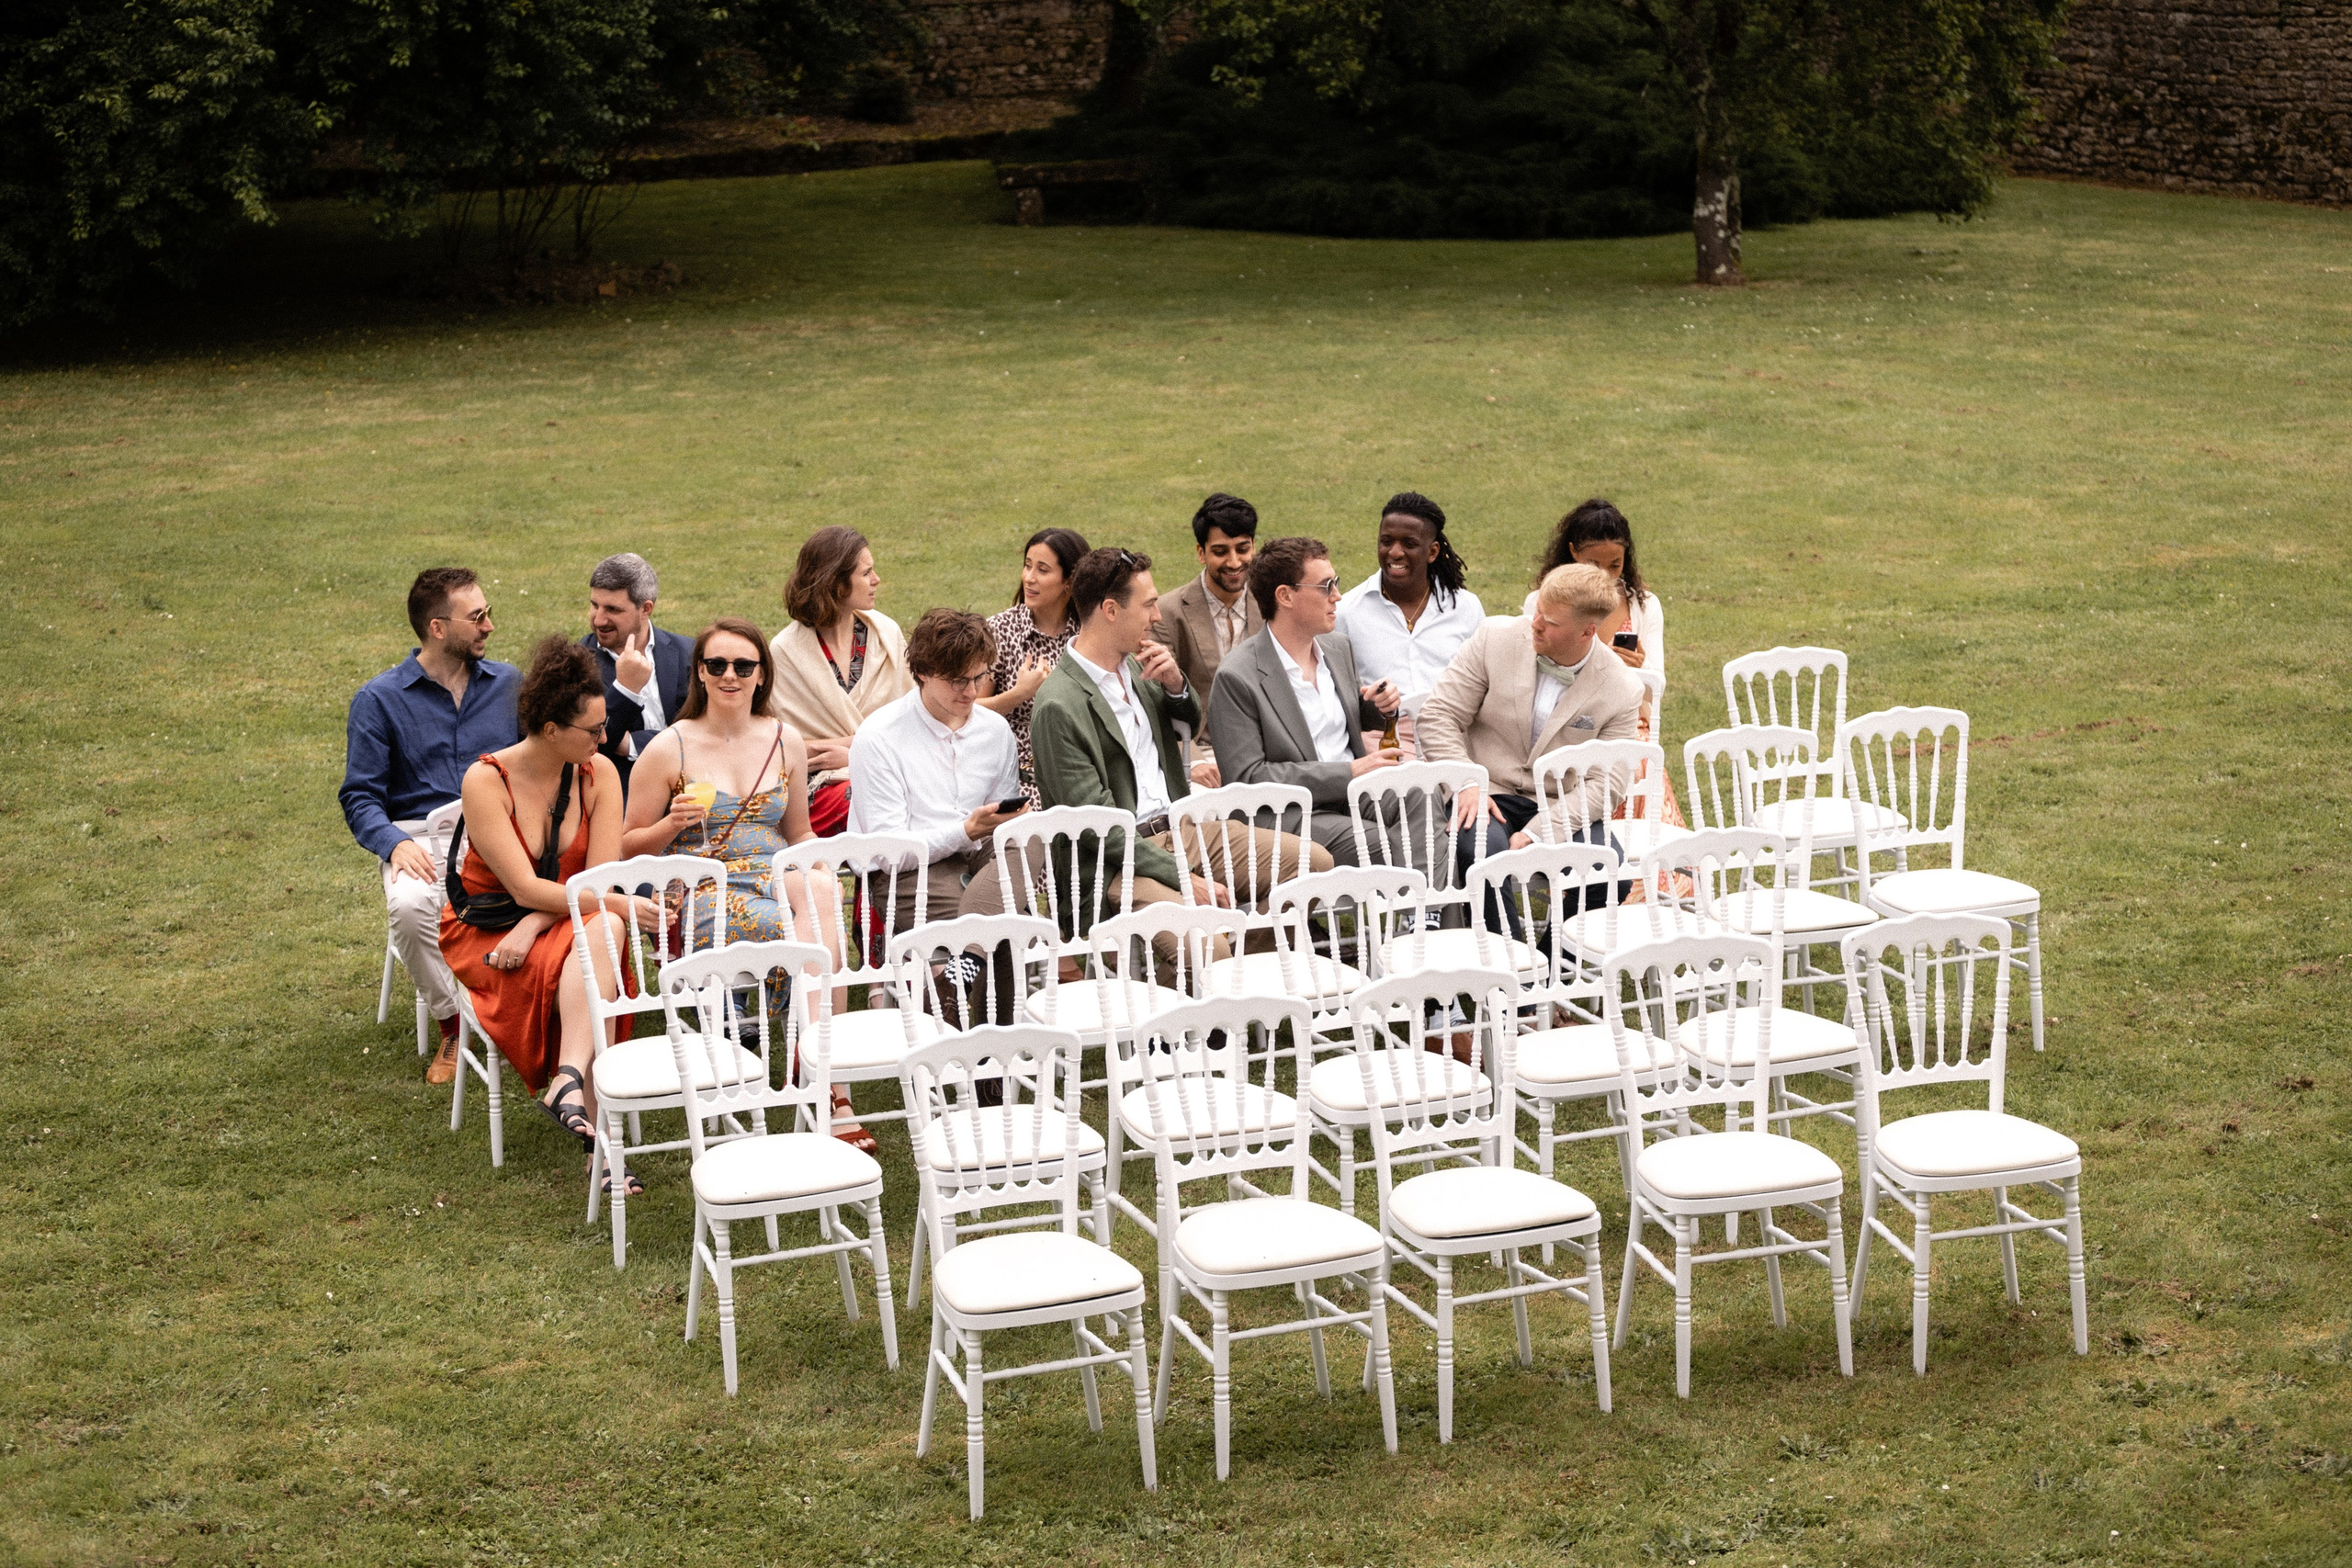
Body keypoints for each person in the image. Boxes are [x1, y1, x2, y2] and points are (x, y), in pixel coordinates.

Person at [964, 548, 1329, 938]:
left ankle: (1239, 952)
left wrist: (1176, 686)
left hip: (1184, 828)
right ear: (1110, 610)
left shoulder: (1138, 667)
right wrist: (1184, 877)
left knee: (1314, 863)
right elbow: (1100, 827)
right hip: (1119, 861)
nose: (1157, 616)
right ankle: (1224, 962)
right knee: (1204, 944)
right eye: (1149, 605)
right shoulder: (1059, 704)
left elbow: (1188, 726)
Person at [620, 618, 865, 1147]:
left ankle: (820, 1068)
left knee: (821, 893)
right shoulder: (668, 749)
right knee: (810, 940)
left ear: (760, 675)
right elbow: (626, 847)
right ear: (700, 675)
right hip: (705, 886)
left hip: (773, 872)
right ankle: (830, 1085)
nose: (730, 675)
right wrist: (670, 825)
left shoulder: (785, 740)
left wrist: (817, 866)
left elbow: (797, 829)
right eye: (717, 665)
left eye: (743, 666)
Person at [438, 637, 661, 1191]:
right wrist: (604, 905)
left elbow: (594, 881)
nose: (605, 738)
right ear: (551, 728)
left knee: (601, 937)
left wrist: (542, 919)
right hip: (488, 932)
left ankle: (569, 1085)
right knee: (605, 936)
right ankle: (599, 1145)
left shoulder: (599, 774)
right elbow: (522, 886)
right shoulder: (485, 781)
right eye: (593, 730)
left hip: (551, 922)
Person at [341, 567, 520, 1088]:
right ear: (438, 628)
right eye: (478, 617)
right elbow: (360, 795)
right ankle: (453, 1023)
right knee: (409, 905)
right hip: (421, 837)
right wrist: (394, 845)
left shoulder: (510, 685)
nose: (489, 626)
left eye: (487, 613)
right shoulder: (378, 700)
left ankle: (520, 1013)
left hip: (501, 834)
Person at [1419, 563, 1644, 884]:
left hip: (1557, 804)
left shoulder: (1622, 688)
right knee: (1483, 855)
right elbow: (1439, 715)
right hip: (1486, 790)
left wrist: (1540, 832)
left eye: (1550, 622)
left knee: (1606, 873)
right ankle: (1499, 936)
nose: (1535, 625)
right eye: (1537, 612)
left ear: (1587, 632)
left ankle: (1554, 937)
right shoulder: (1494, 638)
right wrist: (1467, 784)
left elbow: (1607, 784)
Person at [1204, 536, 1408, 867]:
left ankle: (1428, 917)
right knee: (1383, 844)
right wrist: (1348, 773)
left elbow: (1344, 718)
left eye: (1336, 584)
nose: (1337, 596)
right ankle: (1425, 913)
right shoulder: (1236, 677)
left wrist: (1380, 707)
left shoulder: (1338, 647)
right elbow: (1250, 779)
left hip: (1355, 795)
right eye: (1326, 586)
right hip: (1291, 815)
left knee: (1424, 803)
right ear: (1285, 596)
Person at [850, 609, 1031, 930]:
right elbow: (892, 854)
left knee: (1028, 839)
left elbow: (999, 827)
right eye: (958, 681)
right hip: (911, 872)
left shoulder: (995, 730)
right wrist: (964, 832)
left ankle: (970, 954)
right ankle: (977, 949)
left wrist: (1000, 822)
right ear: (921, 672)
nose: (972, 692)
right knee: (1005, 931)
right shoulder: (879, 737)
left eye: (980, 677)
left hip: (980, 858)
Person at [1527, 497, 1686, 836]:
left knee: (1638, 763)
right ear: (1572, 552)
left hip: (1627, 723)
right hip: (1565, 724)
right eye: (1593, 565)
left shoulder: (1644, 606)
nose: (1605, 577)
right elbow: (1538, 675)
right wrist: (1604, 664)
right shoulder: (1543, 602)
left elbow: (1654, 689)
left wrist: (1634, 669)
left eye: (1615, 566)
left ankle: (1639, 871)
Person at [769, 527, 913, 835]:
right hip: (813, 791)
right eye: (867, 573)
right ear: (835, 583)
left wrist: (854, 754)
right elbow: (776, 746)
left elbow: (913, 725)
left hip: (889, 775)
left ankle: (878, 885)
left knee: (890, 799)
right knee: (872, 803)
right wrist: (863, 750)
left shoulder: (887, 635)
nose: (877, 580)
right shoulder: (783, 652)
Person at [1333, 491, 1485, 714]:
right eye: (1386, 541)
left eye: (1409, 544)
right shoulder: (1347, 611)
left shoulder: (1465, 608)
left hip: (1452, 731)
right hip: (1383, 735)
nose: (1394, 552)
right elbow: (1336, 692)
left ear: (1432, 552)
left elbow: (1483, 682)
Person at [980, 526, 1089, 807]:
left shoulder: (1087, 634)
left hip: (1078, 765)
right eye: (1027, 566)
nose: (1029, 577)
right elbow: (970, 710)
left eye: (1042, 570)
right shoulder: (1000, 629)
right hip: (1015, 775)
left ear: (1069, 581)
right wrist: (1019, 693)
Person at [581, 551, 692, 799]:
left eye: (612, 609)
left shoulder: (688, 653)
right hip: (623, 800)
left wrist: (632, 743)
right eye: (594, 605)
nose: (599, 619)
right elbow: (592, 746)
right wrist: (626, 689)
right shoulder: (574, 666)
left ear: (646, 609)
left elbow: (710, 729)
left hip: (698, 787)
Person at [1153, 492, 1263, 712]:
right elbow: (1159, 697)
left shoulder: (1273, 603)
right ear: (1201, 553)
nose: (1234, 562)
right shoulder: (1166, 613)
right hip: (1200, 742)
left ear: (1254, 547)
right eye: (1220, 552)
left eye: (1243, 549)